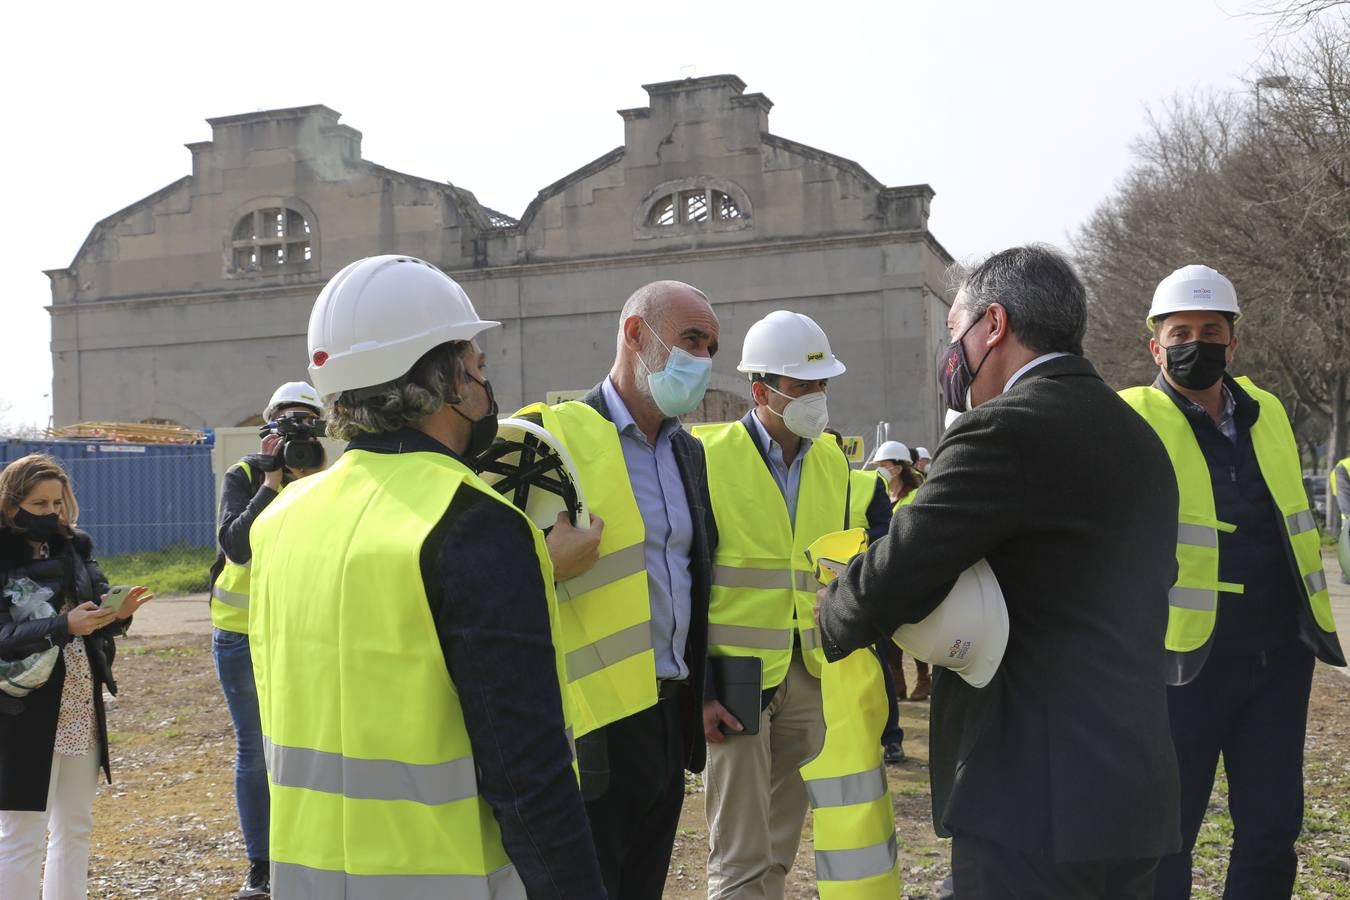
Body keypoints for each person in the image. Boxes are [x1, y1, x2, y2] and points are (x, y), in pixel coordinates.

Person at [817, 245, 1182, 898]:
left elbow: (905, 566)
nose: (950, 356)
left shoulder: (1003, 430)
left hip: (1031, 799)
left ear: (994, 324)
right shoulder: (1140, 437)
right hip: (1134, 788)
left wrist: (831, 607)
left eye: (954, 334)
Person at [247, 255, 607, 897]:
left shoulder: (280, 521)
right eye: (480, 365)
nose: (484, 383)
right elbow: (526, 769)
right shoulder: (475, 525)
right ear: (449, 382)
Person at [1119, 264, 1345, 900]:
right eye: (1181, 331)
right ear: (1155, 345)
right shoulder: (1129, 418)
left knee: (1273, 826)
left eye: (1211, 330)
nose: (1197, 343)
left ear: (1233, 341)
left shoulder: (1266, 410)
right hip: (1179, 664)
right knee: (1167, 831)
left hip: (1278, 656)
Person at [511, 280, 719, 899]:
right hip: (591, 723)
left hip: (666, 714)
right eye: (691, 339)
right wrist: (543, 563)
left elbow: (691, 578)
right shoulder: (550, 441)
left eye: (711, 345)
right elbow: (490, 572)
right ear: (635, 334)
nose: (703, 359)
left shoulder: (689, 453)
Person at [695, 310, 896, 899]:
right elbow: (693, 574)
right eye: (803, 386)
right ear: (761, 390)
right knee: (738, 854)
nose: (817, 397)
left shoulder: (834, 463)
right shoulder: (709, 459)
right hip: (734, 679)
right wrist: (701, 684)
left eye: (822, 385)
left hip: (806, 674)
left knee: (779, 850)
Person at [0, 453, 153, 899]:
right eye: (39, 504)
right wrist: (62, 626)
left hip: (79, 701)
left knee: (75, 826)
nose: (51, 513)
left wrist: (115, 614)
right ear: (11, 504)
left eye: (57, 503)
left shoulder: (76, 546)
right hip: (19, 708)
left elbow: (96, 607)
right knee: (21, 832)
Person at [208, 380, 325, 899]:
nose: (299, 429)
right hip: (241, 633)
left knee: (309, 746)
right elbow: (237, 547)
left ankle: (305, 854)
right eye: (288, 420)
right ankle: (262, 865)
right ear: (268, 425)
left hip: (302, 632)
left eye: (308, 419)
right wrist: (272, 483)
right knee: (256, 751)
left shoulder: (329, 477)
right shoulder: (247, 475)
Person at [829, 429, 906, 764]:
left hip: (857, 594)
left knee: (877, 667)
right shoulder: (794, 486)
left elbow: (884, 539)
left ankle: (891, 738)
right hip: (809, 601)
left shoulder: (864, 485)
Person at [871, 441, 932, 701]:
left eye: (882, 466)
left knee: (914, 629)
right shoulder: (882, 496)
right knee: (892, 634)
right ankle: (897, 683)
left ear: (897, 468)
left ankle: (923, 679)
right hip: (890, 573)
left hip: (914, 572)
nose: (878, 471)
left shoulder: (916, 495)